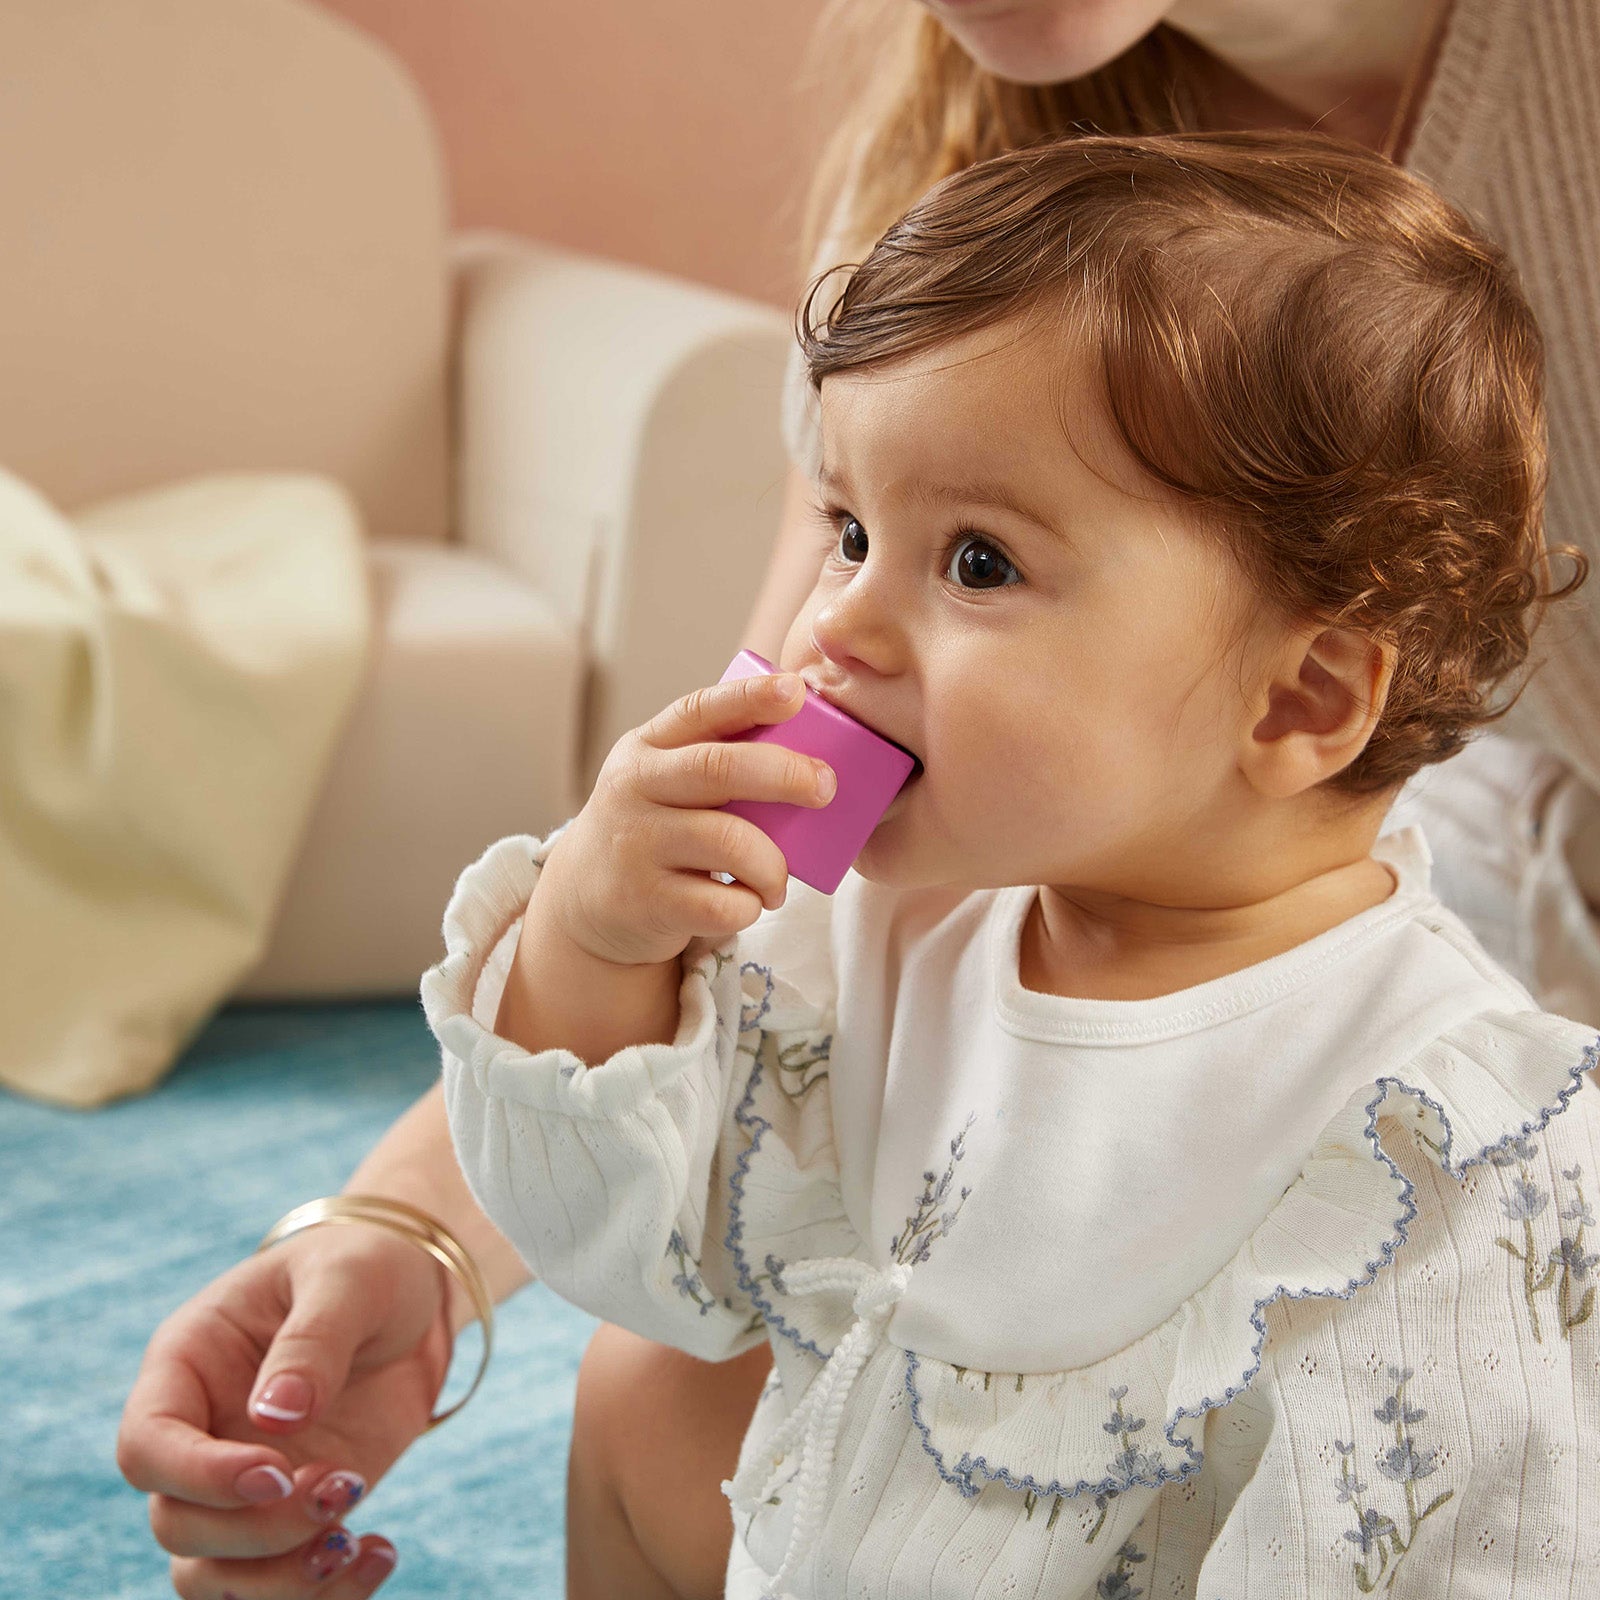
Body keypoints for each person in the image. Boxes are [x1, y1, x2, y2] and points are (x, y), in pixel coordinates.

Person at [115, 2, 1600, 1596]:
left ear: (1302, 697)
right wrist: (592, 950)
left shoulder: (1460, 1152)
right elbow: (629, 1237)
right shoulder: (890, 939)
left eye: (976, 562)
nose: (833, 631)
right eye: (845, 530)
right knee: (640, 1383)